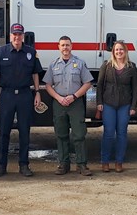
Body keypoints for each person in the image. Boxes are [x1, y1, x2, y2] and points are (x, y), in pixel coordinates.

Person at [0, 23, 43, 177]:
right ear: (10, 35)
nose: (17, 37)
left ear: (23, 36)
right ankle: (1, 166)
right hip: (7, 95)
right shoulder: (1, 52)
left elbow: (35, 74)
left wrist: (38, 93)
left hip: (25, 95)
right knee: (4, 131)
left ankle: (24, 165)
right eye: (14, 34)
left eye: (19, 34)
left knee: (24, 131)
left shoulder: (31, 52)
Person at [43, 36, 94, 176]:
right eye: (63, 45)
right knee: (61, 134)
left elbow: (88, 83)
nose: (65, 48)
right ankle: (63, 164)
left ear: (72, 46)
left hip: (75, 103)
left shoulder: (80, 63)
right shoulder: (53, 65)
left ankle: (82, 165)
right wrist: (59, 98)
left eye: (67, 45)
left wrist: (74, 96)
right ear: (58, 47)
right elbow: (47, 85)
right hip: (59, 103)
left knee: (79, 134)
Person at [96, 40, 137, 173]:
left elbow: (135, 87)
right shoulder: (107, 65)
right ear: (113, 52)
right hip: (108, 104)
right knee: (108, 133)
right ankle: (105, 161)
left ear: (125, 51)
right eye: (116, 50)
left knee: (122, 134)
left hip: (124, 105)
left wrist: (133, 106)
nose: (119, 52)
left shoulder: (131, 67)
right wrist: (99, 103)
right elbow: (99, 85)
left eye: (121, 49)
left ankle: (119, 162)